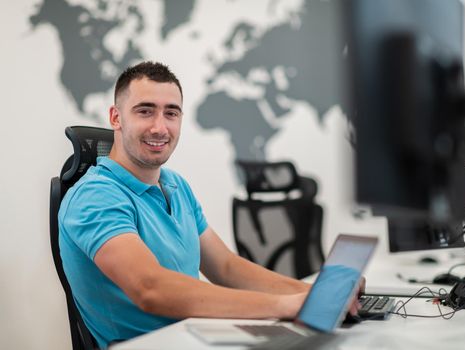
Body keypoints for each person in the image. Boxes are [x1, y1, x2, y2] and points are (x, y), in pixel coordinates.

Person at [59, 61, 361, 349]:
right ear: (116, 117)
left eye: (171, 113)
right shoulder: (95, 196)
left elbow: (227, 268)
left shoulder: (175, 186)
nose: (159, 127)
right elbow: (150, 288)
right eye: (145, 111)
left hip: (198, 338)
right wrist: (286, 305)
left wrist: (316, 294)